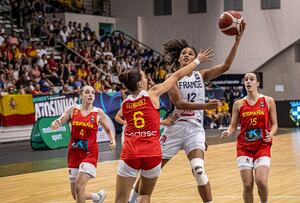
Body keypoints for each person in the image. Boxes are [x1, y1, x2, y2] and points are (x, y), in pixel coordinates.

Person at [129, 23, 245, 203]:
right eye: (183, 53)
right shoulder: (171, 78)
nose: (186, 55)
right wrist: (205, 106)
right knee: (152, 170)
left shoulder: (201, 75)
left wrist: (237, 41)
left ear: (194, 58)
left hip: (195, 130)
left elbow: (226, 66)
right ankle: (132, 199)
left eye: (190, 53)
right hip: (174, 128)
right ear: (179, 59)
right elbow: (179, 103)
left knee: (198, 169)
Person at [115, 48, 214, 203]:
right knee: (145, 195)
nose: (148, 79)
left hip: (131, 152)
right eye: (145, 77)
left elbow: (131, 121)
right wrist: (198, 60)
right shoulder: (152, 93)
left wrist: (162, 122)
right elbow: (177, 76)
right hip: (151, 154)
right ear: (141, 83)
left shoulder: (125, 104)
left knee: (120, 200)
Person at [50, 85, 116, 203]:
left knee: (79, 186)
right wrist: (56, 123)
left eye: (92, 93)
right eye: (87, 92)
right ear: (81, 95)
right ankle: (97, 197)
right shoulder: (73, 109)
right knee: (76, 194)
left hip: (89, 154)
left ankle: (97, 197)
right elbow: (60, 120)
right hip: (74, 153)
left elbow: (107, 129)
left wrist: (112, 140)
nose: (90, 94)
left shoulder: (98, 113)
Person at [221, 72, 278, 203]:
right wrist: (227, 132)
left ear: (257, 83)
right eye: (246, 79)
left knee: (261, 181)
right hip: (244, 147)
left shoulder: (268, 101)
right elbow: (233, 127)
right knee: (247, 186)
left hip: (262, 146)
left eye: (252, 79)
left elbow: (274, 124)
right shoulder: (238, 104)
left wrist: (271, 134)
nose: (248, 81)